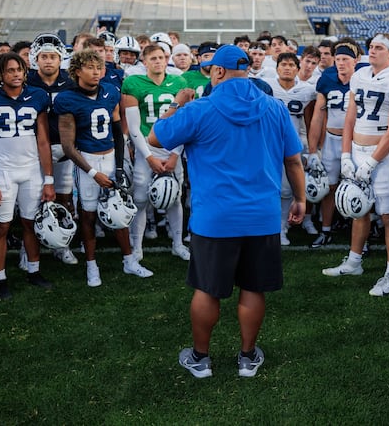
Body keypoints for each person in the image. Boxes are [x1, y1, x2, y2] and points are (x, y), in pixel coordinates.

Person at [148, 44, 305, 379]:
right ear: (246, 70)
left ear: (217, 72)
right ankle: (247, 357)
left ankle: (200, 358)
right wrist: (301, 199)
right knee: (253, 288)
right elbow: (293, 160)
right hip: (261, 216)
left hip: (214, 218)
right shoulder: (274, 108)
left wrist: (178, 103)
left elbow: (154, 137)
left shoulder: (199, 108)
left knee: (207, 289)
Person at [323, 34, 389, 299]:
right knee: (358, 209)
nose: (372, 51)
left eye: (379, 48)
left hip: (383, 153)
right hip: (357, 150)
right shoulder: (360, 75)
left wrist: (373, 160)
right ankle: (354, 261)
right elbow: (349, 119)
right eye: (371, 47)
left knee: (388, 214)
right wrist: (345, 155)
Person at [54, 50, 153, 286]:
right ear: (77, 71)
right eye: (90, 67)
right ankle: (91, 265)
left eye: (98, 67)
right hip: (86, 161)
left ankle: (129, 261)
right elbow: (68, 146)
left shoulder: (110, 92)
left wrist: (118, 167)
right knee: (87, 215)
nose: (96, 72)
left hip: (110, 159)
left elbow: (118, 132)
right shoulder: (67, 99)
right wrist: (92, 173)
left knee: (120, 211)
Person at [0, 52, 55, 300]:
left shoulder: (37, 96)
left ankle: (34, 270)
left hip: (31, 170)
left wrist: (48, 178)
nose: (17, 74)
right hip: (3, 170)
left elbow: (43, 140)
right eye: (10, 70)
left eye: (20, 69)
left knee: (31, 223)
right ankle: (0, 277)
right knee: (1, 226)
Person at [121, 44, 190, 262]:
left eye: (161, 57)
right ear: (144, 61)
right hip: (145, 146)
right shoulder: (133, 82)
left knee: (175, 196)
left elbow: (186, 122)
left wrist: (175, 154)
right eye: (153, 58)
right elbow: (133, 127)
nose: (158, 61)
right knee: (140, 197)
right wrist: (148, 157)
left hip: (173, 145)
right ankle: (137, 246)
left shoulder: (179, 82)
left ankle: (177, 244)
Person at [25, 34, 79, 265]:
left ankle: (62, 244)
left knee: (64, 197)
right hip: (33, 147)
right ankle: (30, 251)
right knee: (33, 200)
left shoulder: (71, 81)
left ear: (61, 59)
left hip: (65, 146)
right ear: (36, 58)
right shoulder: (26, 80)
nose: (48, 61)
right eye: (44, 56)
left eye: (53, 57)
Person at [306, 40, 360, 247]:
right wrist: (313, 150)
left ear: (355, 61)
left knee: (357, 187)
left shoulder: (363, 78)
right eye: (337, 59)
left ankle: (360, 233)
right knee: (329, 187)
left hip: (354, 142)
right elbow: (318, 117)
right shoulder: (327, 78)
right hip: (331, 140)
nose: (340, 63)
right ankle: (326, 229)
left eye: (345, 59)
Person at [262, 52, 317, 243]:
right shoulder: (266, 86)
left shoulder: (307, 90)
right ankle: (265, 225)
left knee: (286, 189)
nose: (287, 68)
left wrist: (311, 149)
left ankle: (281, 228)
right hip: (267, 143)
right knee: (265, 187)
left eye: (291, 65)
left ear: (297, 68)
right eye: (283, 64)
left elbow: (309, 121)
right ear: (277, 68)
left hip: (291, 143)